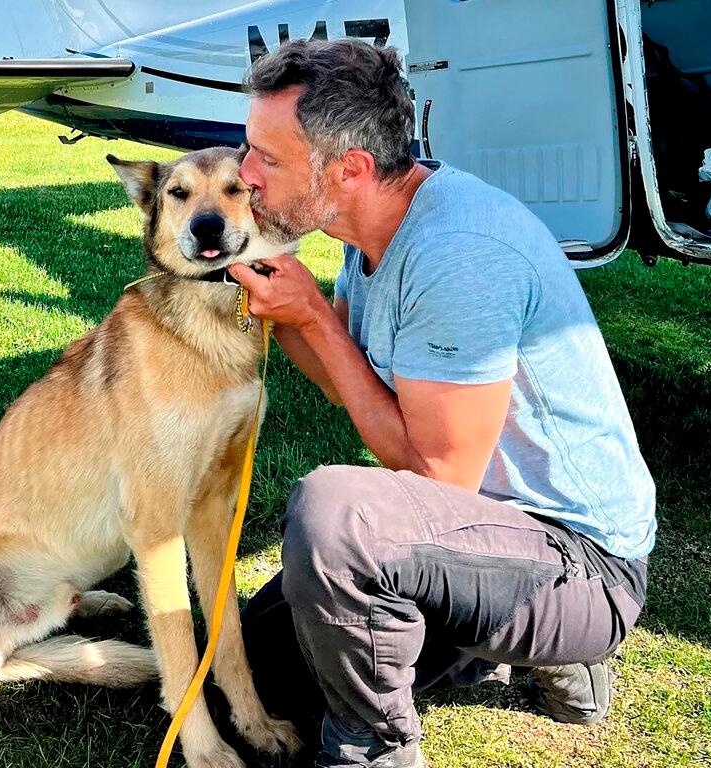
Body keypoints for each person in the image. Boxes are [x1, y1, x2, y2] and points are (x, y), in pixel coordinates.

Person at [225, 38, 656, 768]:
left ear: (350, 168)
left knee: (338, 516)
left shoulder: (457, 252)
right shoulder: (367, 226)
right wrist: (292, 314)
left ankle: (375, 747)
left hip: (581, 565)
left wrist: (316, 320)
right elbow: (355, 385)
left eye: (266, 157)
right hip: (480, 538)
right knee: (243, 671)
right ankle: (504, 649)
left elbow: (439, 476)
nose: (245, 175)